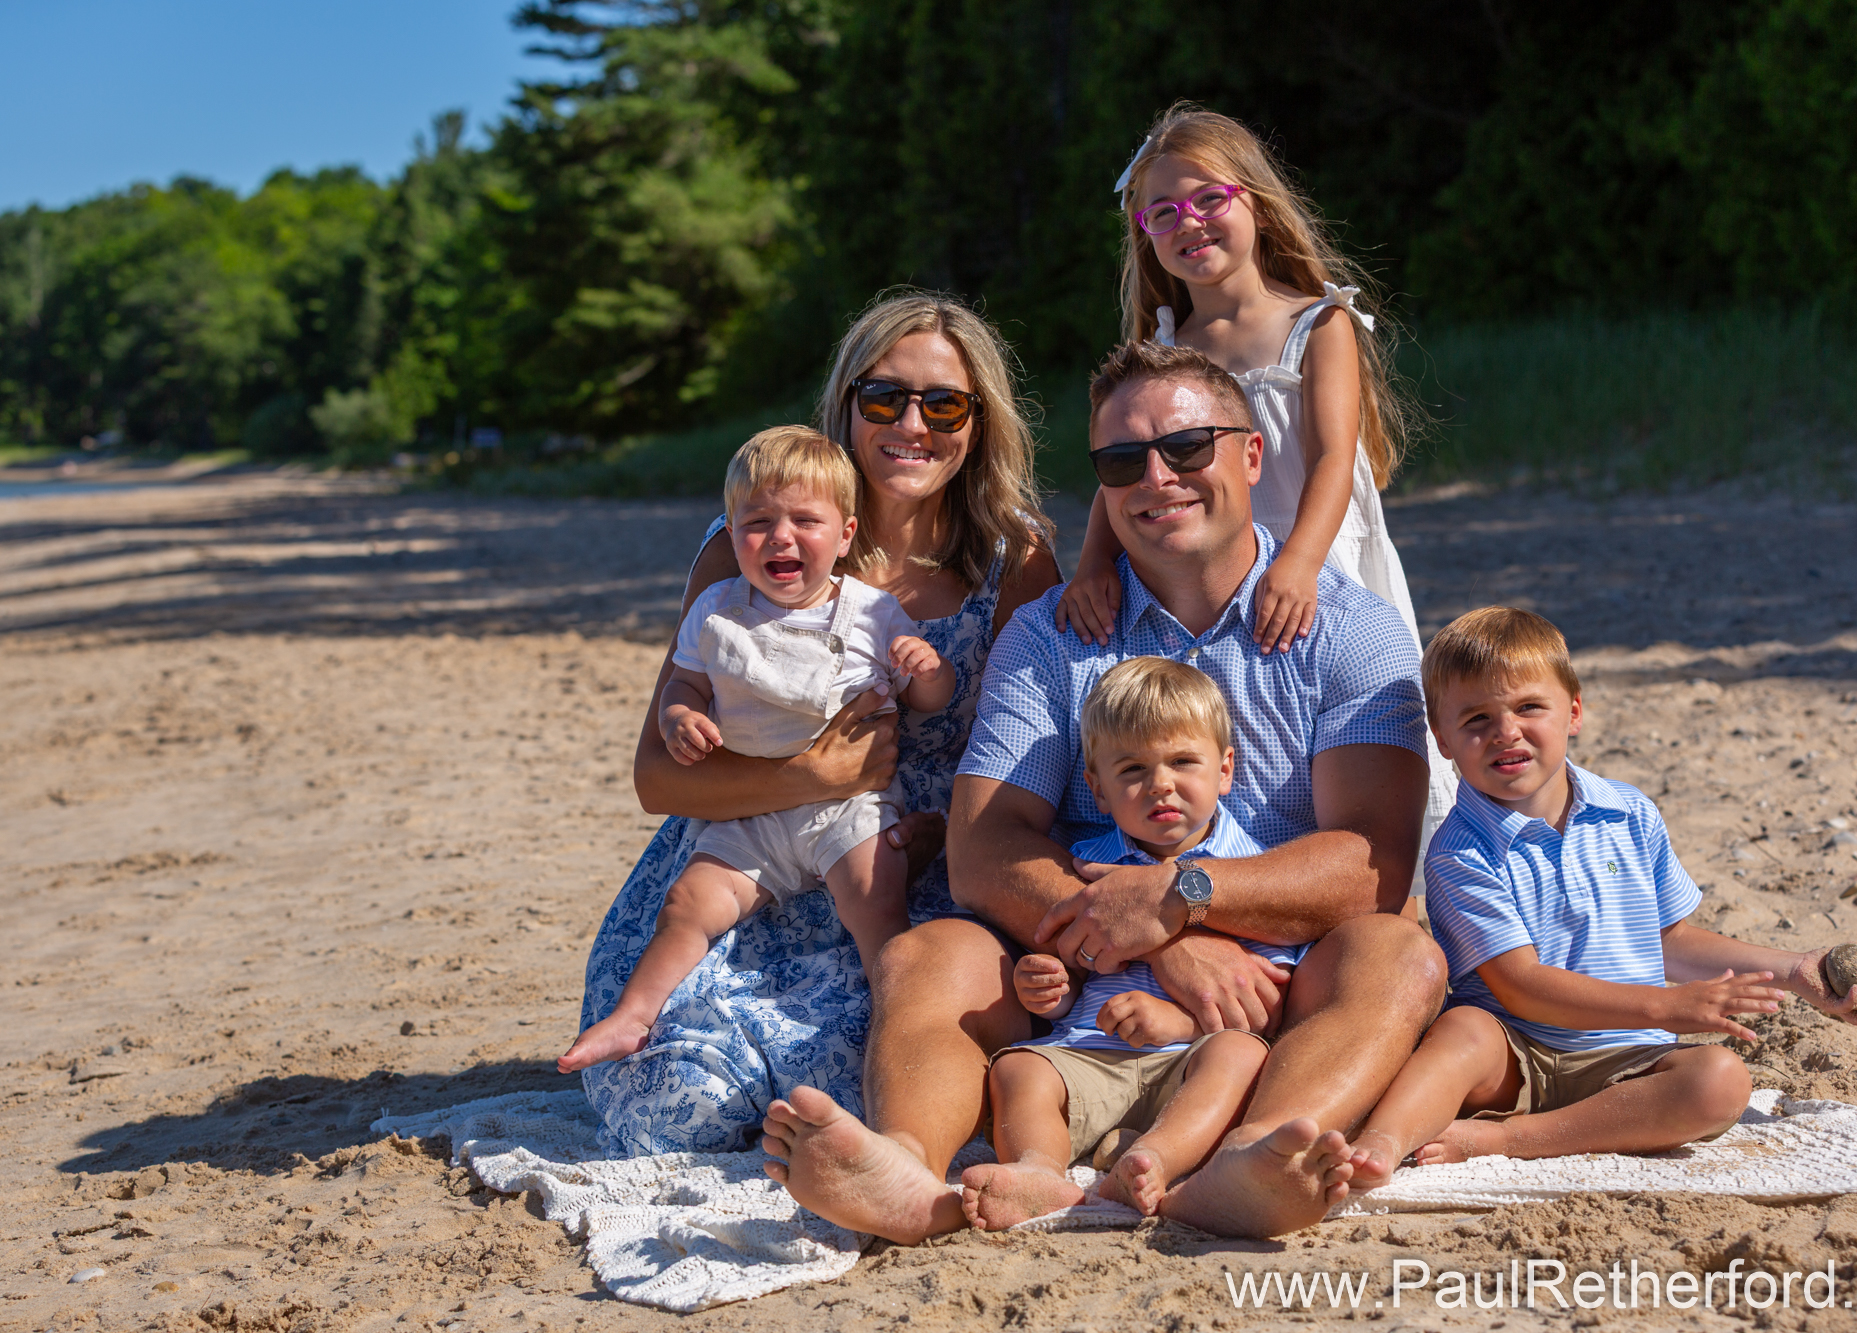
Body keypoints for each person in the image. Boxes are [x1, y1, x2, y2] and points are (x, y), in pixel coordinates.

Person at [762, 339, 1447, 1241]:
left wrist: (1182, 899)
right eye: (1123, 460)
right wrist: (1150, 940)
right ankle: (906, 1170)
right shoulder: (1051, 635)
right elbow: (983, 847)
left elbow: (1372, 862)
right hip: (1079, 996)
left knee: (1399, 955)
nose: (1157, 478)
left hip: (1280, 991)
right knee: (930, 955)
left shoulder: (1353, 630)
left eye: (1187, 448)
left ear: (1251, 454)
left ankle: (1254, 1156)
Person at [577, 293, 1060, 1155]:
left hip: (906, 871)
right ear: (847, 403)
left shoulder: (1012, 559)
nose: (911, 424)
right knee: (676, 1102)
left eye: (944, 404)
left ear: (979, 422)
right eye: (885, 397)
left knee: (868, 1082)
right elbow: (657, 777)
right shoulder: (750, 546)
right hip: (744, 852)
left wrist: (941, 829)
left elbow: (1032, 758)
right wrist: (813, 774)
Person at [1346, 608, 1857, 1188]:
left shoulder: (1628, 813)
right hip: (1514, 1058)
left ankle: (1511, 1139)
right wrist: (1666, 1006)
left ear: (1574, 712)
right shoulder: (1459, 852)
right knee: (1463, 1031)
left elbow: (1670, 941)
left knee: (1720, 1079)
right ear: (1443, 741)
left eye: (1529, 707)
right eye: (1477, 718)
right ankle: (1380, 1145)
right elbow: (1520, 985)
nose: (1506, 731)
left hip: (1627, 1062)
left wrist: (1795, 971)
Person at [1052, 103, 1456, 893]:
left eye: (1209, 199)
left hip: (1308, 553)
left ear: (1257, 203)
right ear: (1144, 232)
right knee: (1214, 715)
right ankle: (1218, 865)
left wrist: (1299, 564)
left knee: (1335, 719)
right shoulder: (1166, 344)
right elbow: (1127, 468)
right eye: (1164, 213)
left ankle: (1374, 890)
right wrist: (1094, 562)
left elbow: (1336, 457)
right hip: (1193, 569)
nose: (1190, 222)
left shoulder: (1316, 321)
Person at [560, 428, 954, 1074]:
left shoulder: (872, 614)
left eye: (805, 521)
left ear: (846, 535)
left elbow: (929, 701)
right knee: (688, 904)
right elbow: (685, 681)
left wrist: (927, 668)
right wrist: (680, 714)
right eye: (758, 522)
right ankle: (633, 1015)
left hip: (849, 808)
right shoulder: (717, 611)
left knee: (873, 895)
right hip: (749, 812)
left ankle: (899, 1008)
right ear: (731, 530)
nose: (780, 537)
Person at [960, 658, 1301, 1228]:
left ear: (1224, 770)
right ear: (1097, 788)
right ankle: (1038, 1170)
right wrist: (1049, 989)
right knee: (1018, 1069)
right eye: (1134, 769)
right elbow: (1073, 969)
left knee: (1241, 1055)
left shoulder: (1253, 876)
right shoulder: (1083, 869)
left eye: (1183, 762)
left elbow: (1267, 1003)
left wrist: (1181, 1023)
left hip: (1188, 1065)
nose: (1161, 783)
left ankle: (1154, 1159)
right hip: (1089, 1054)